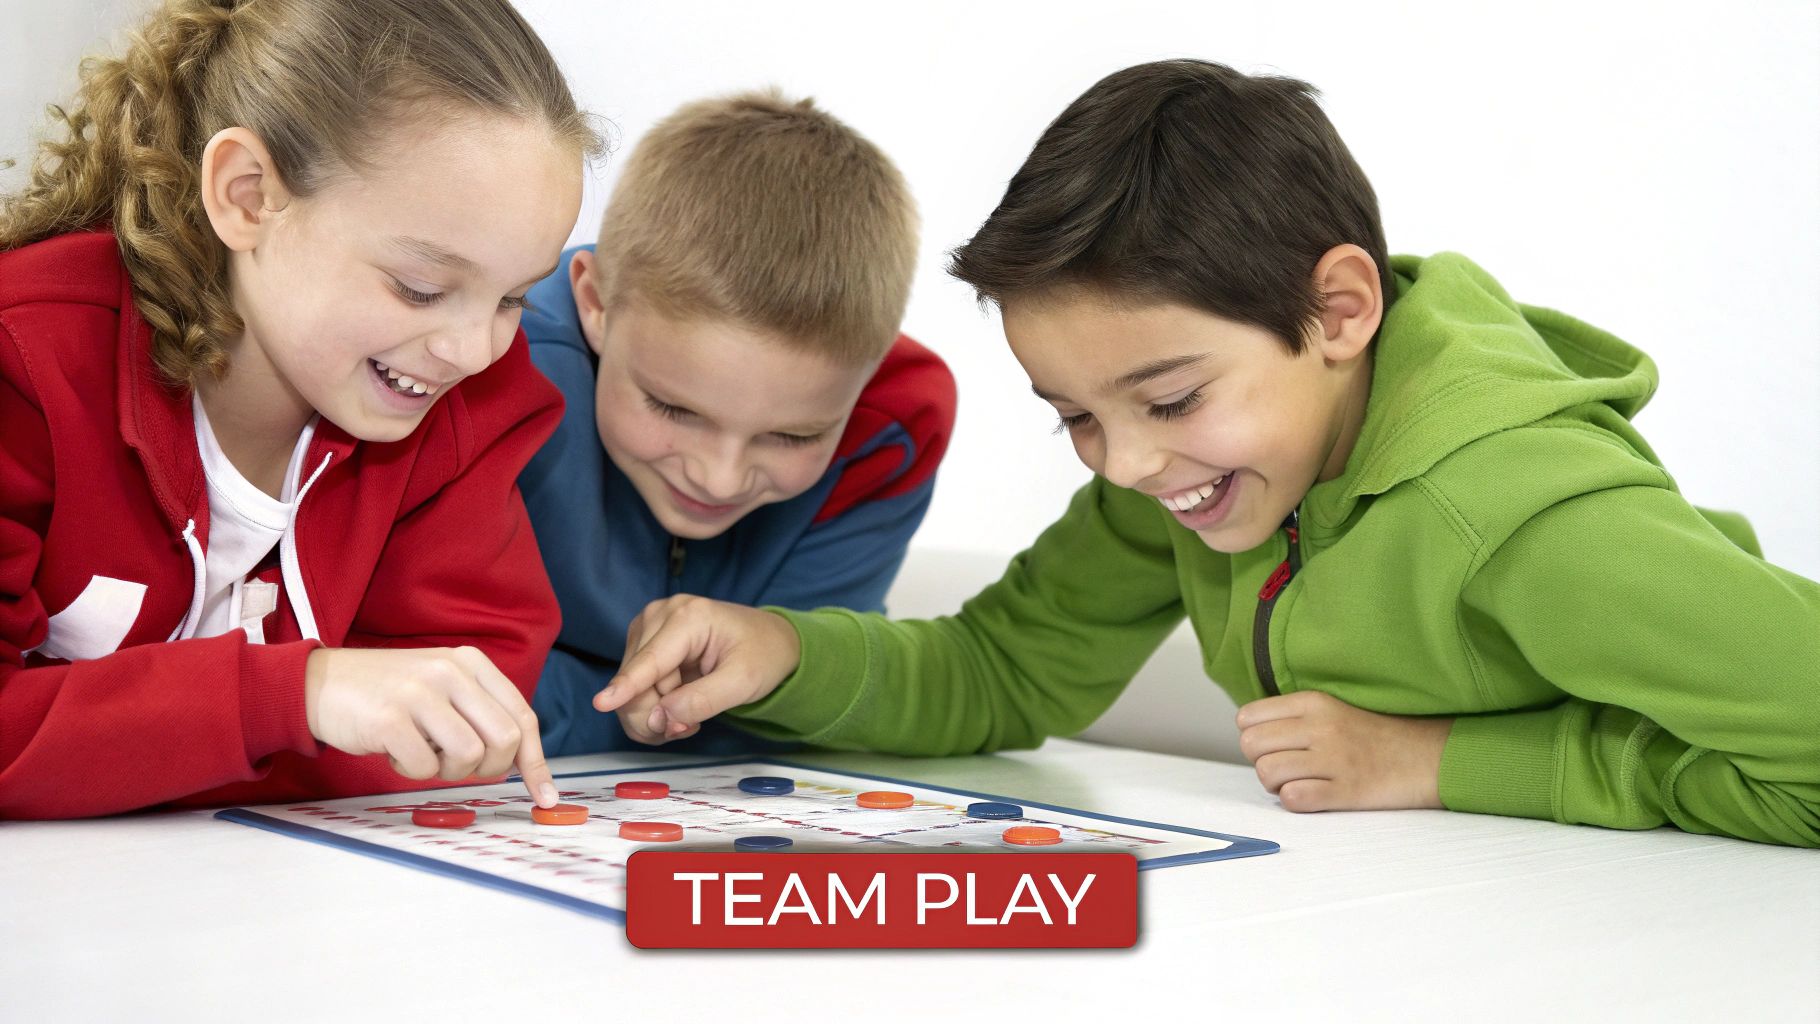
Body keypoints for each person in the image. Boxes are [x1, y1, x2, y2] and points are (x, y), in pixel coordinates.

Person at [595, 60, 1820, 847]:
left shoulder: (1526, 522)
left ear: (1338, 313)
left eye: (1168, 397)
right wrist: (781, 651)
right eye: (1073, 414)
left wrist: (1448, 763)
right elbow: (1003, 675)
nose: (1122, 463)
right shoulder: (1199, 479)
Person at [0, 0, 599, 818]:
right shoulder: (26, 359)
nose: (471, 350)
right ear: (248, 198)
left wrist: (100, 744)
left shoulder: (467, 402)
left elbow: (462, 715)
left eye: (513, 299)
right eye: (420, 287)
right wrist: (296, 698)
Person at [518, 90, 953, 756]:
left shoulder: (891, 425)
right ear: (595, 303)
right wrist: (657, 713)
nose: (717, 478)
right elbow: (427, 672)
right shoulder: (497, 369)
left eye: (795, 434)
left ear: (864, 378)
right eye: (673, 408)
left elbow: (799, 696)